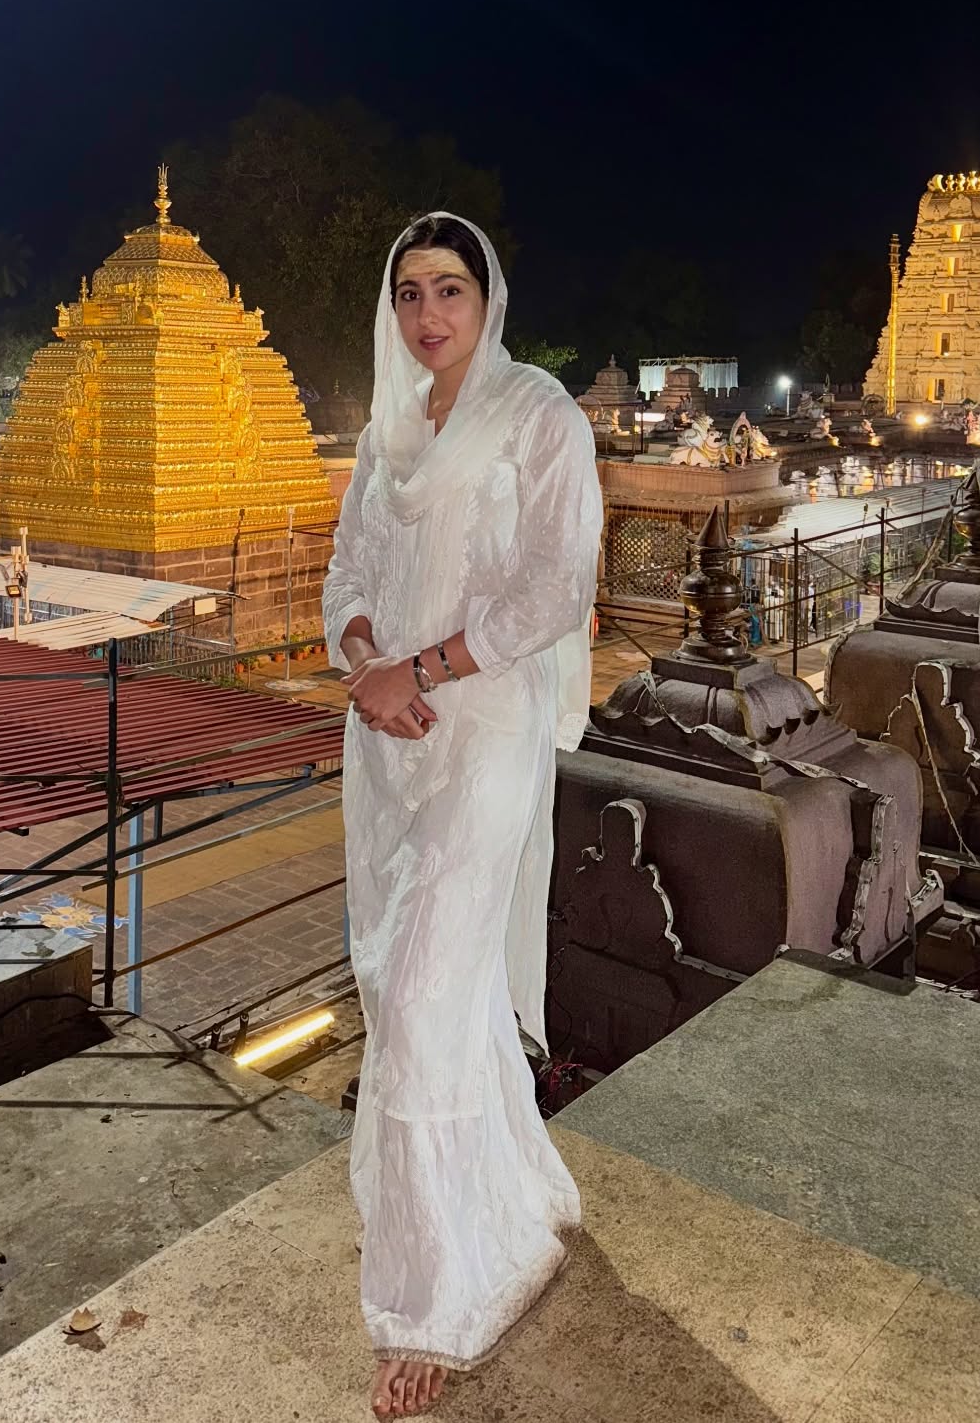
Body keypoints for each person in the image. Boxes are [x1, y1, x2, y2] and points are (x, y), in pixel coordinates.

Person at [323, 213, 602, 1418]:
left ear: (488, 298)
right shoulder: (389, 434)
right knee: (401, 984)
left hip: (481, 734)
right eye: (408, 294)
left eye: (449, 288)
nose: (428, 314)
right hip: (385, 743)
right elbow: (346, 571)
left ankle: (429, 1305)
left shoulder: (541, 415)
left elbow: (558, 585)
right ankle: (502, 1188)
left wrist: (421, 671)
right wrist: (363, 661)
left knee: (432, 990)